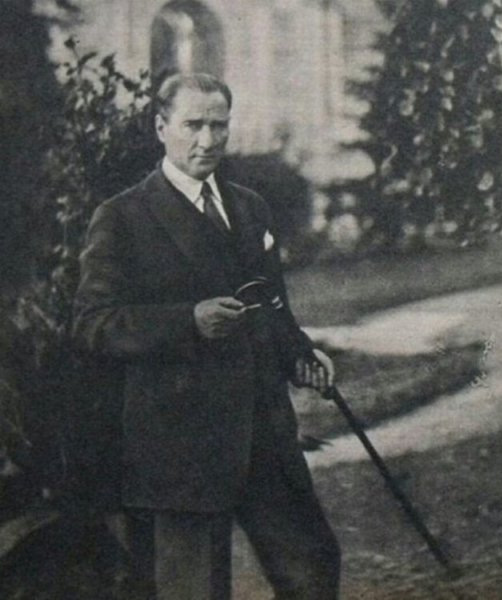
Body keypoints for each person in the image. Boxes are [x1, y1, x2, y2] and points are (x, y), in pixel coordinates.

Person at [72, 72, 340, 599]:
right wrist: (187, 321)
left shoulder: (250, 207)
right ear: (161, 127)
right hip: (180, 447)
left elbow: (272, 305)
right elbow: (92, 324)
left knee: (313, 569)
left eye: (219, 125)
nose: (208, 140)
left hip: (264, 435)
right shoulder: (122, 217)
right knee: (193, 591)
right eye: (193, 125)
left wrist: (300, 355)